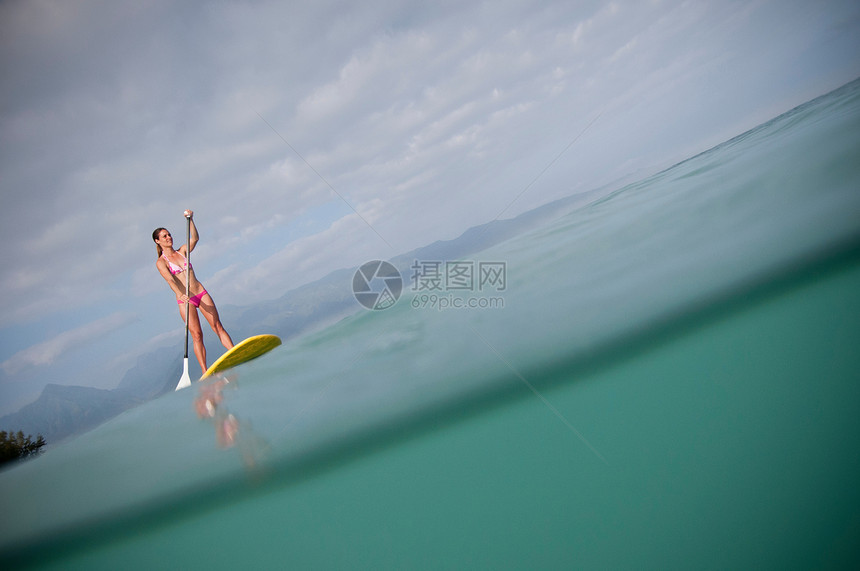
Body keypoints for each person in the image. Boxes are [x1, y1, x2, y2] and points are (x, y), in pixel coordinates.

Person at [153, 210, 233, 374]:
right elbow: (169, 279)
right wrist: (179, 293)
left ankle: (234, 352)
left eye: (169, 235)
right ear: (158, 241)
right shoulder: (161, 262)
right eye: (164, 236)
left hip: (200, 293)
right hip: (185, 300)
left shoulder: (182, 251)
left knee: (217, 326)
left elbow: (195, 239)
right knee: (197, 335)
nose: (169, 238)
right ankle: (205, 371)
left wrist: (191, 221)